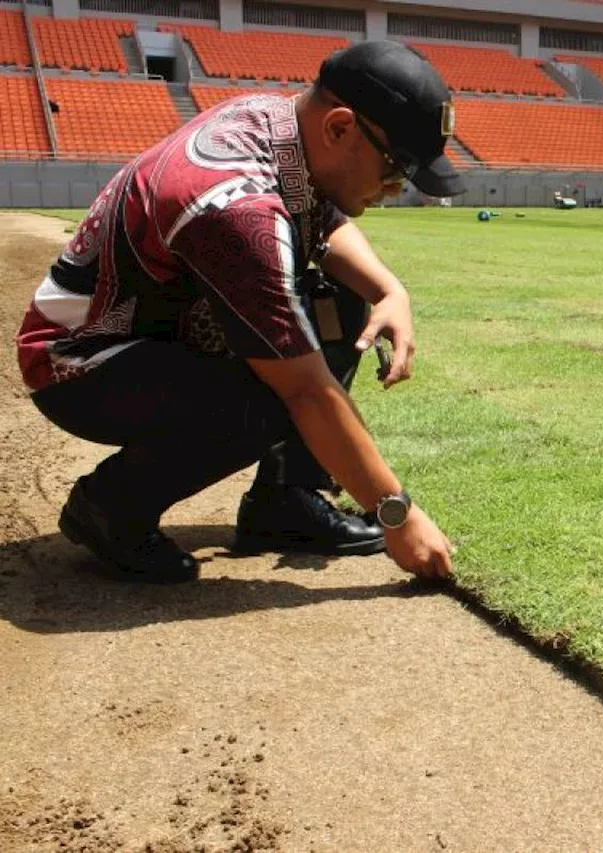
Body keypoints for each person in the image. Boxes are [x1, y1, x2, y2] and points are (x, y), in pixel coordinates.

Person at [14, 41, 460, 583]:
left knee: (337, 300)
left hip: (149, 330)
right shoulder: (235, 210)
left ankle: (286, 503)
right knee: (277, 395)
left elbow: (323, 217)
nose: (396, 189)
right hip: (77, 363)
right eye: (397, 166)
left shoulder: (278, 121)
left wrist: (392, 292)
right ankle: (111, 505)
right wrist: (399, 516)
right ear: (340, 128)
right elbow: (307, 392)